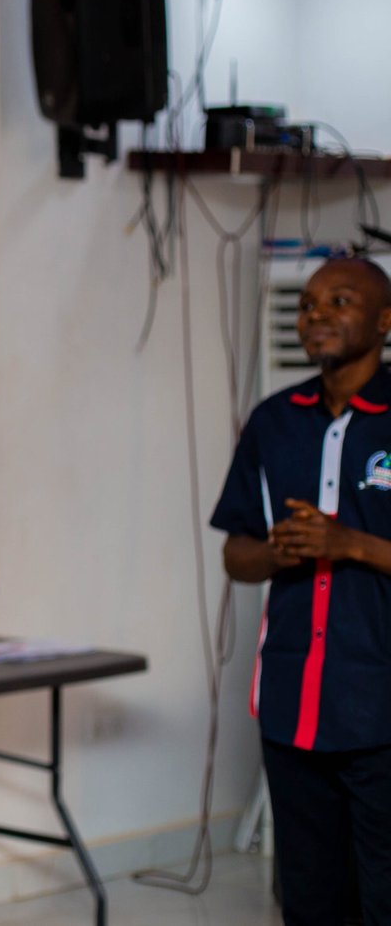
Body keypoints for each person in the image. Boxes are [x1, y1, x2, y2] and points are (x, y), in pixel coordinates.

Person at [212, 255, 391, 926]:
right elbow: (236, 554)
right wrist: (278, 551)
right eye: (307, 304)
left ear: (385, 320)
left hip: (380, 711)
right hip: (293, 708)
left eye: (340, 300)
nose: (316, 314)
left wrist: (351, 544)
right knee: (311, 902)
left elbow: (351, 545)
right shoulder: (273, 420)